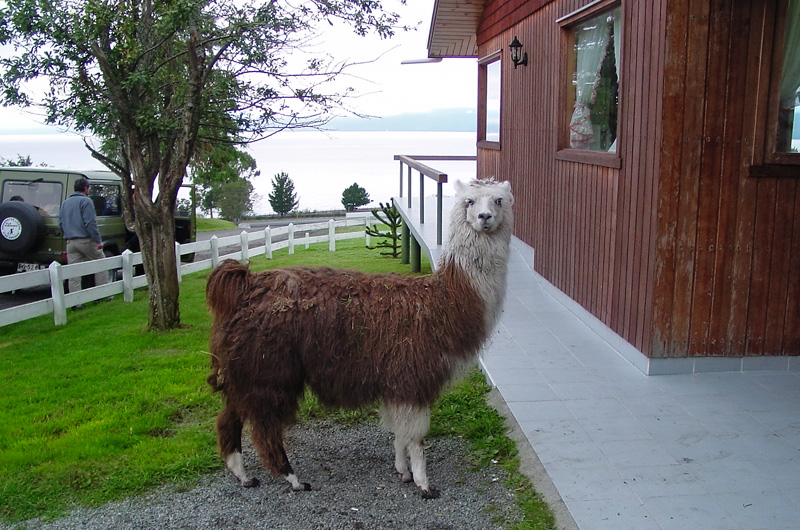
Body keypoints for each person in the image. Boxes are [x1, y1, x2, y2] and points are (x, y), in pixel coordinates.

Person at [58, 178, 110, 308]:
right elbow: (90, 223)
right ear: (86, 188)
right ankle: (102, 295)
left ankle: (76, 302)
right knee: (100, 263)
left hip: (70, 241)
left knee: (74, 272)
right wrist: (97, 241)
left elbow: (60, 223)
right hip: (85, 240)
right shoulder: (86, 201)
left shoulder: (65, 203)